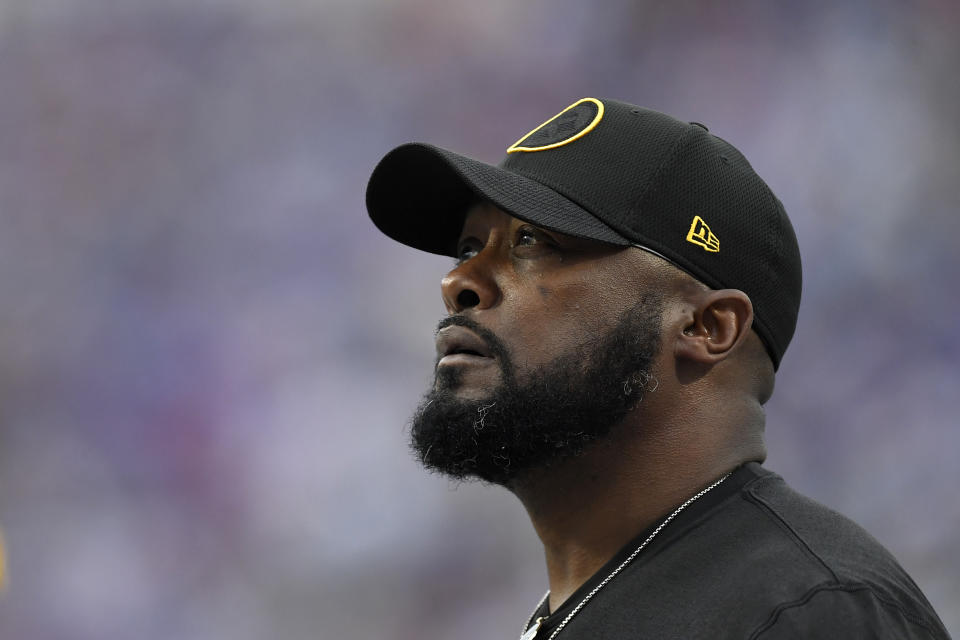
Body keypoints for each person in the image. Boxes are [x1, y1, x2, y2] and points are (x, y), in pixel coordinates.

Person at [365, 97, 950, 639]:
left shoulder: (809, 612)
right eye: (469, 248)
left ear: (707, 327)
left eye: (532, 241)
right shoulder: (618, 596)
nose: (456, 282)